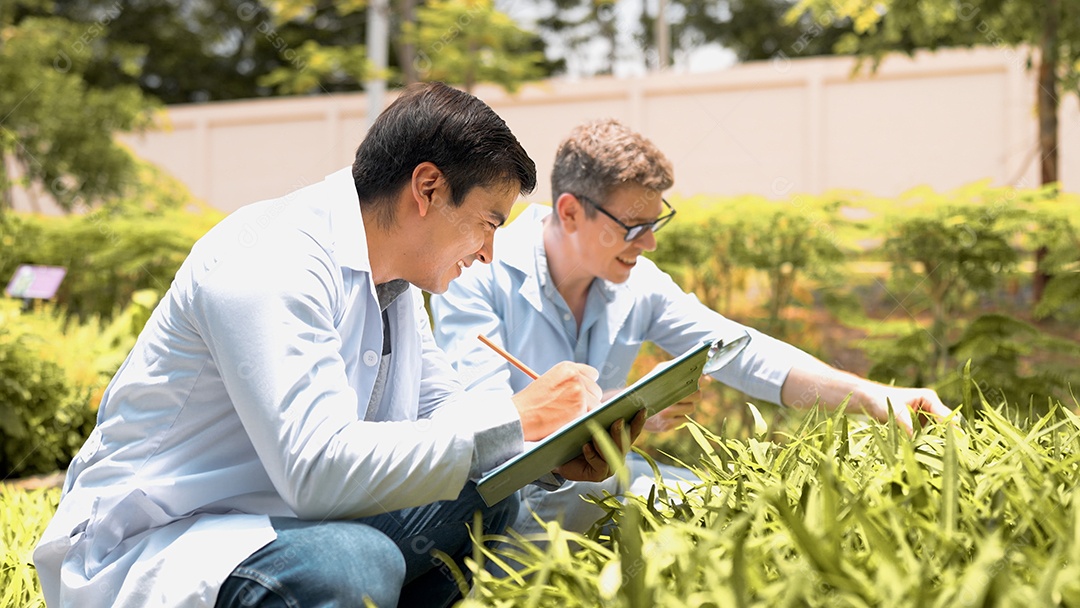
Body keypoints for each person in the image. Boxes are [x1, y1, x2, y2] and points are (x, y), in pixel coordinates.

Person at [33, 84, 643, 608]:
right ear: (427, 188)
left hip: (272, 522)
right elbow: (316, 471)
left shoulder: (396, 287)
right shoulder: (272, 259)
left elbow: (444, 418)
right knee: (354, 561)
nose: (488, 252)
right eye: (489, 222)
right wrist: (517, 416)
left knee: (486, 498)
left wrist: (546, 451)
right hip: (152, 542)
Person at [430, 118, 952, 537]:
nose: (649, 243)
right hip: (500, 523)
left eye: (655, 224)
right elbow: (486, 437)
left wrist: (875, 398)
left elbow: (743, 353)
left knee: (750, 510)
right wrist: (625, 410)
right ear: (570, 213)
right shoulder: (476, 269)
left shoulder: (636, 281)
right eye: (633, 228)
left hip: (606, 495)